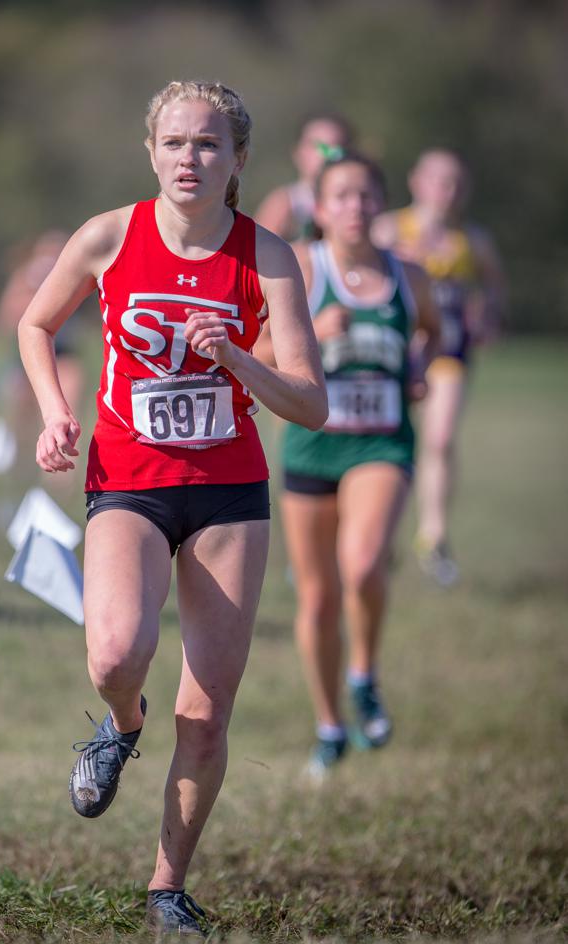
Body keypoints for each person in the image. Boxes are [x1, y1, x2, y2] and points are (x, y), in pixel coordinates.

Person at [18, 80, 327, 936]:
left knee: (207, 711)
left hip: (229, 489)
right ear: (150, 151)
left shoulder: (268, 257)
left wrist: (237, 355)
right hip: (129, 474)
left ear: (236, 161)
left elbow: (311, 402)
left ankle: (166, 888)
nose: (190, 158)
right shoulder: (109, 235)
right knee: (117, 653)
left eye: (209, 145)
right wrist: (54, 412)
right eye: (176, 143)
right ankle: (122, 725)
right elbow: (36, 327)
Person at [268, 150, 439, 777]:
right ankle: (329, 723)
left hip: (382, 443)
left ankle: (363, 674)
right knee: (316, 600)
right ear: (319, 206)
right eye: (341, 196)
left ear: (382, 204)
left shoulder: (408, 275)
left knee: (362, 563)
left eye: (367, 196)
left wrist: (421, 360)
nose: (355, 208)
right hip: (313, 444)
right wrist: (312, 333)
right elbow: (254, 349)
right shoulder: (301, 271)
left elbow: (436, 334)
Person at [372, 149, 506, 585]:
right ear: (417, 182)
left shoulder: (472, 239)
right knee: (389, 442)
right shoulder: (390, 228)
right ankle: (379, 535)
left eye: (456, 184)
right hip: (392, 350)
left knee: (441, 437)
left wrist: (487, 315)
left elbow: (494, 283)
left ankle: (433, 535)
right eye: (439, 181)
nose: (447, 193)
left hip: (448, 350)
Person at [0, 230, 85, 482]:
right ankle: (20, 465)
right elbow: (6, 318)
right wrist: (29, 291)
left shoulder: (75, 274)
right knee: (21, 417)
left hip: (65, 354)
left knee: (69, 414)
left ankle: (61, 478)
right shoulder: (24, 279)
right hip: (27, 357)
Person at [254, 114, 353, 242]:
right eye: (321, 147)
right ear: (298, 152)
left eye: (337, 147)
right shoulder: (285, 204)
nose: (329, 154)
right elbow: (256, 254)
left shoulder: (357, 204)